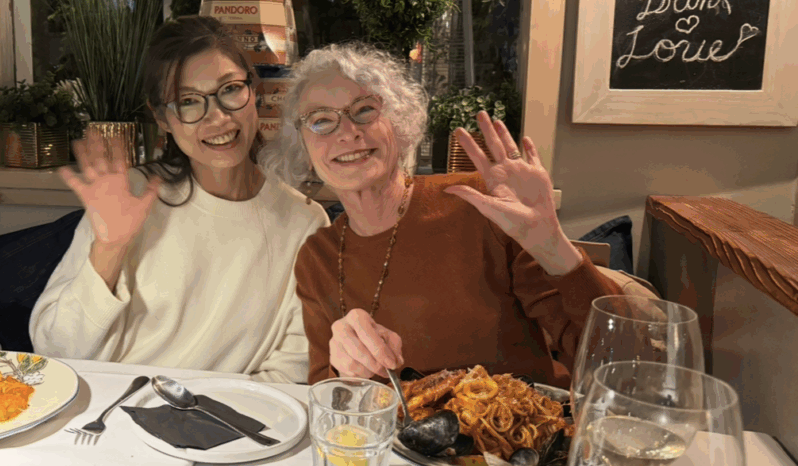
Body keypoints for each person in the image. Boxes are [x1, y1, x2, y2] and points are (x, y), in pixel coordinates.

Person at [260, 43, 623, 386]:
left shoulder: (482, 204)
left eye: (364, 110)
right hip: (398, 432)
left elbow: (619, 363)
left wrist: (554, 247)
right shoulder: (318, 257)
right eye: (321, 120)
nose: (348, 132)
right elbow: (326, 393)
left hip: (521, 425)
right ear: (303, 148)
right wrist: (343, 370)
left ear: (398, 123)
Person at [30, 16, 329, 383]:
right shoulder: (131, 194)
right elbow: (54, 350)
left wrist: (205, 413)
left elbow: (292, 368)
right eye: (188, 101)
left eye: (230, 89)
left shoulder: (304, 222)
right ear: (162, 118)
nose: (218, 117)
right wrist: (109, 249)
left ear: (254, 92)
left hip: (227, 415)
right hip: (109, 406)